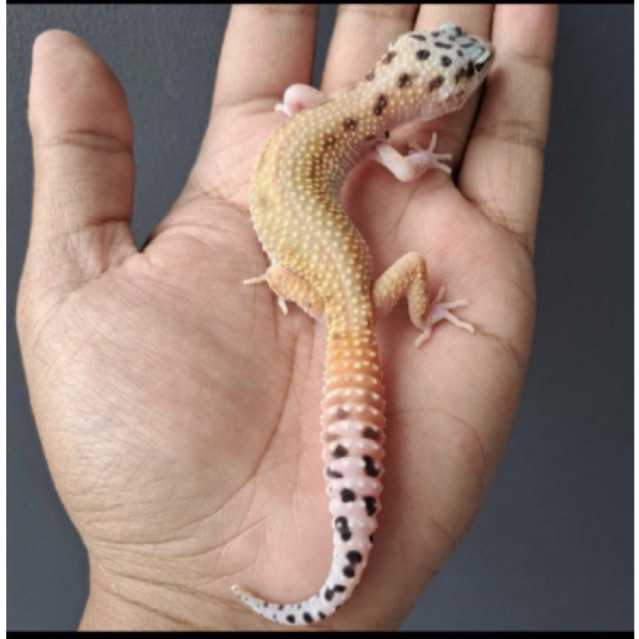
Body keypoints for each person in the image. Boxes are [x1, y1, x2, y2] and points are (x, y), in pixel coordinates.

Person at [17, 4, 558, 630]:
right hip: (348, 289)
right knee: (346, 278)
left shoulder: (338, 113)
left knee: (292, 273)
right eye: (464, 75)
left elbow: (304, 99)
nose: (478, 68)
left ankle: (336, 577)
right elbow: (389, 156)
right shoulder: (364, 131)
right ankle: (425, 316)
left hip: (325, 284)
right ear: (429, 101)